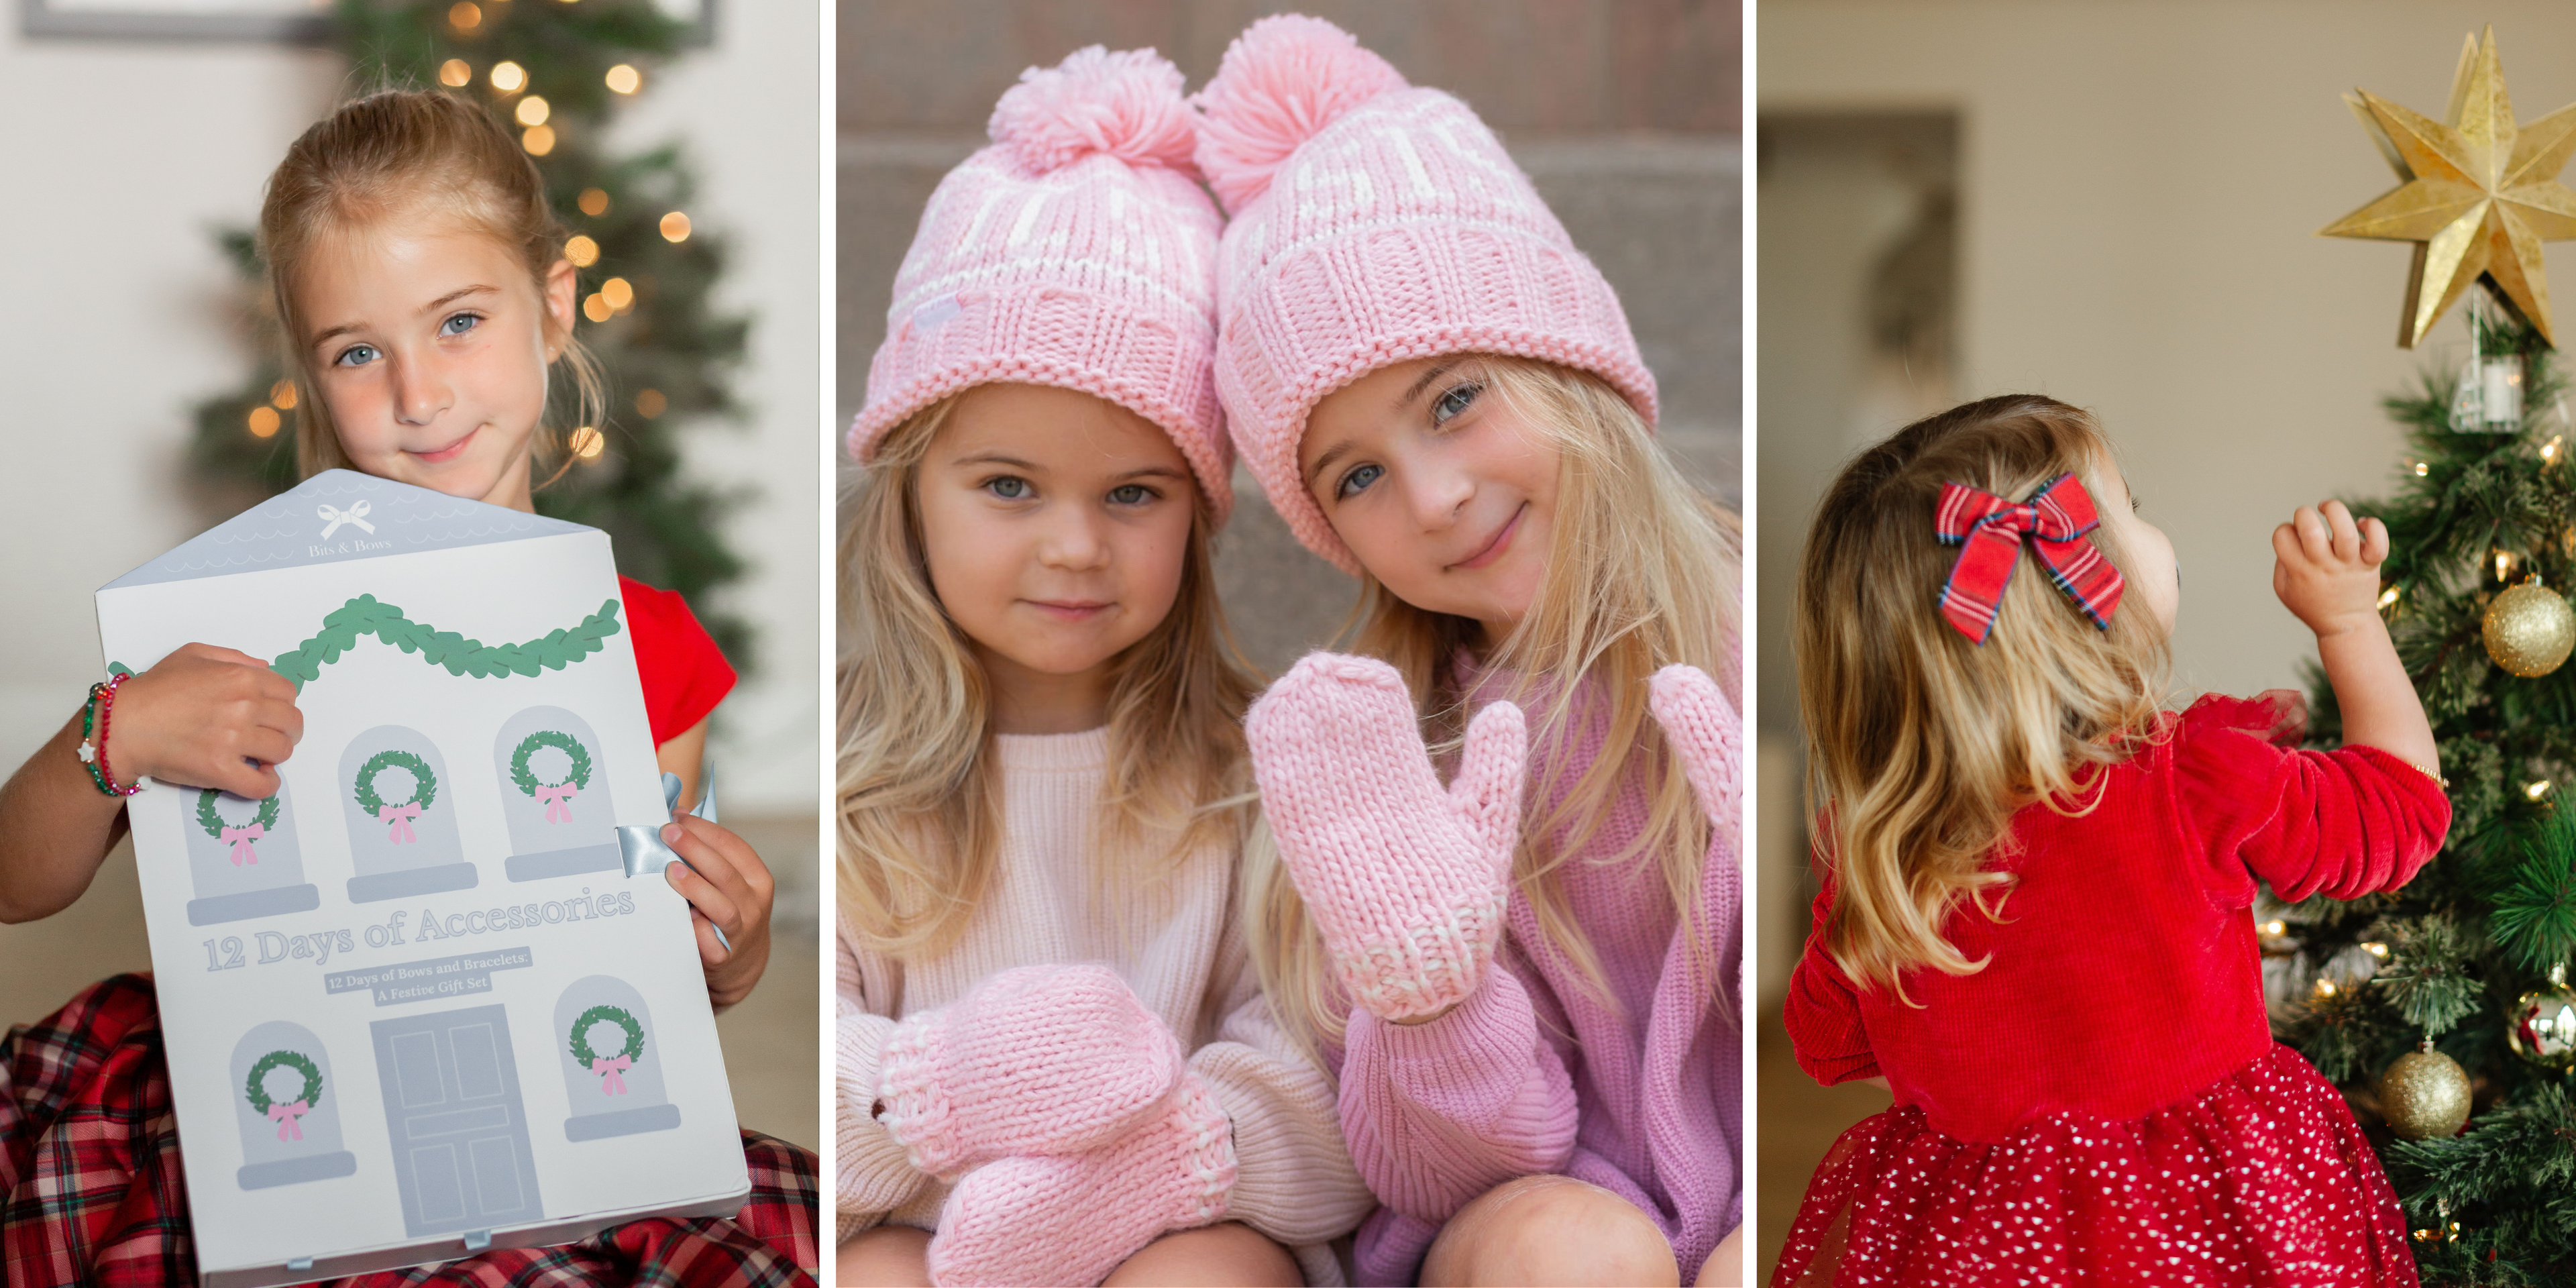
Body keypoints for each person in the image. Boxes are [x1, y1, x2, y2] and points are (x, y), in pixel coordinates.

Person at [0, 89, 812, 1286]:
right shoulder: (229, 627)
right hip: (259, 1119)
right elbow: (20, 883)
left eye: (461, 321)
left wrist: (727, 960)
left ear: (552, 307)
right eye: (359, 352)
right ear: (312, 372)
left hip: (542, 1143)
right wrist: (111, 735)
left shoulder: (645, 646)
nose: (420, 395)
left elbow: (635, 962)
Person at [1195, 15, 1747, 1285]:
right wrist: (1429, 995)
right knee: (1571, 1248)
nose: (1436, 495)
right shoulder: (1390, 755)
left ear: (1570, 365)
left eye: (1455, 400)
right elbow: (1448, 1174)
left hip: (1759, 1156)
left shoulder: (1754, 637)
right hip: (1534, 1199)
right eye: (1359, 476)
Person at [832, 46, 1370, 1288]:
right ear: (910, 490)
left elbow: (1320, 1095)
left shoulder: (1251, 773)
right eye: (1009, 486)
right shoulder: (862, 784)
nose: (1075, 546)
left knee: (1212, 1276)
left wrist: (1150, 1167)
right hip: (933, 1235)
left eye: (1134, 492)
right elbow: (823, 1074)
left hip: (1174, 1225)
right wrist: (948, 1089)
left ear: (1199, 510)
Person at [1776, 394, 2448, 1285]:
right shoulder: (2193, 781)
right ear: (2083, 597)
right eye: (2135, 506)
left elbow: (1832, 1046)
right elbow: (2402, 812)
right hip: (2216, 1214)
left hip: (1980, 1247)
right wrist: (2349, 625)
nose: (2155, 530)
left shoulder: (1879, 853)